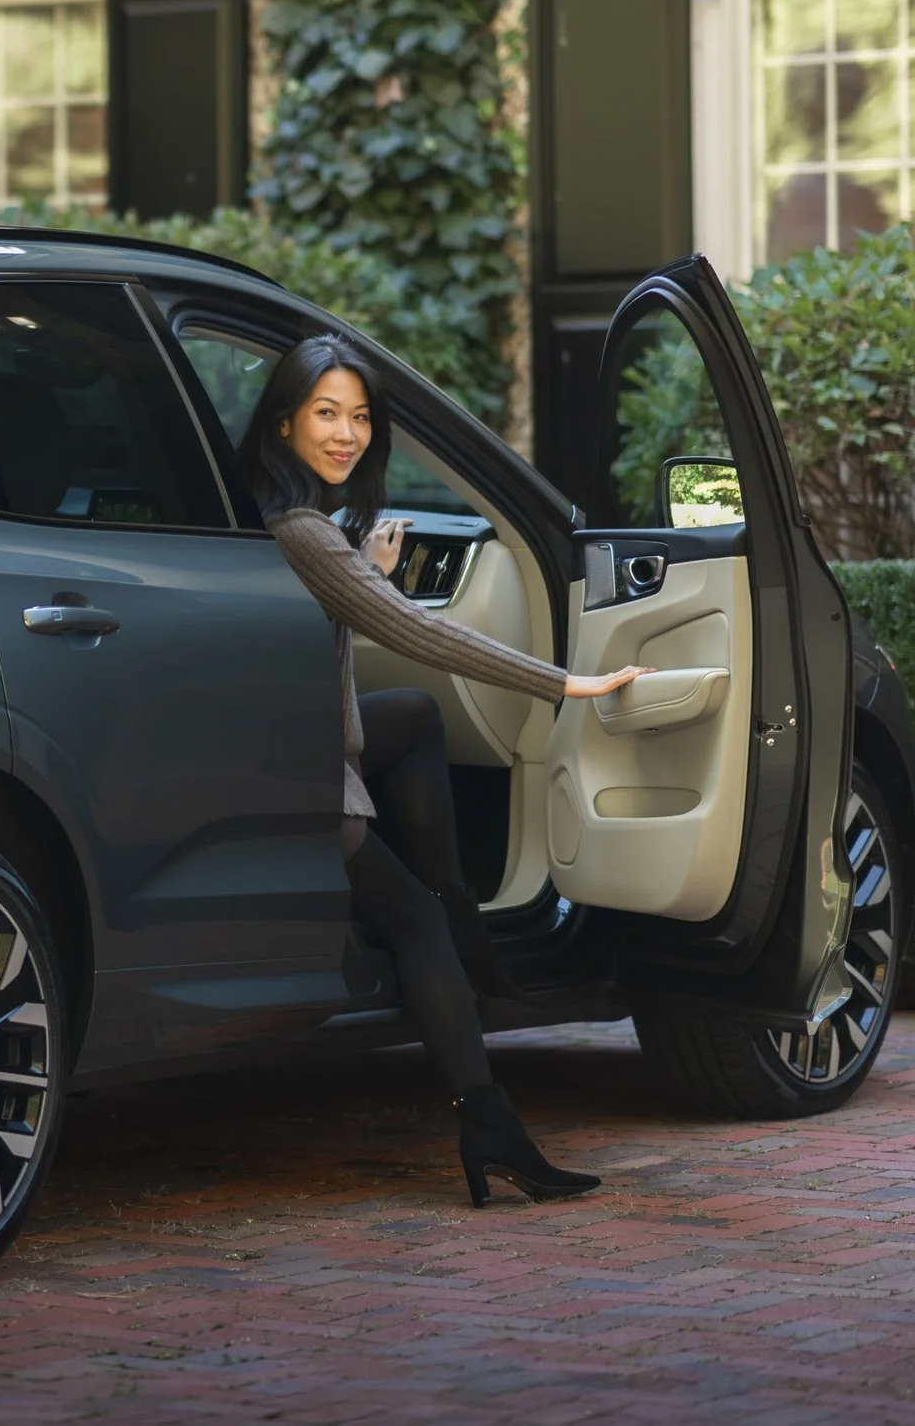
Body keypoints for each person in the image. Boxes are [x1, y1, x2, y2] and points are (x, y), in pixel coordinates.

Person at [243, 333, 651, 1207]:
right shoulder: (304, 531)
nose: (347, 434)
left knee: (414, 714)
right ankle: (486, 1116)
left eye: (359, 417)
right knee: (416, 924)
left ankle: (463, 911)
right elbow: (421, 632)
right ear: (283, 423)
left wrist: (365, 571)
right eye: (325, 414)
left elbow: (346, 611)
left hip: (308, 740)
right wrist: (567, 682)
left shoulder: (287, 517)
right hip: (310, 783)